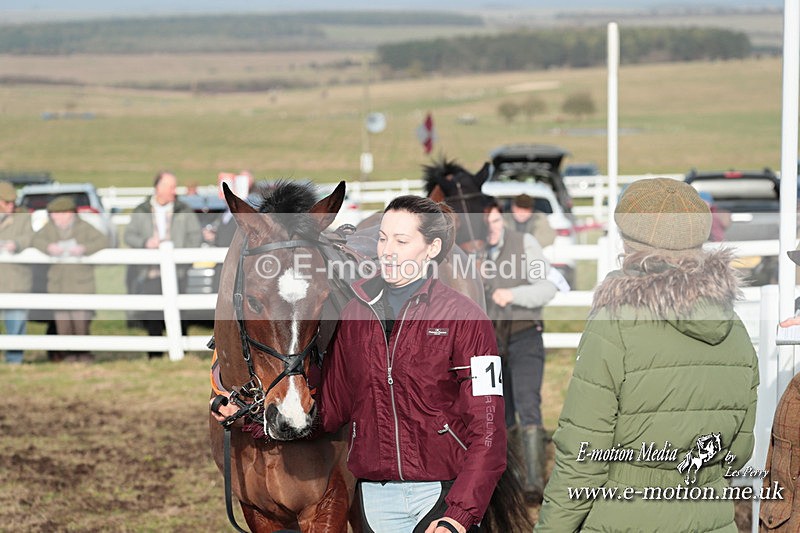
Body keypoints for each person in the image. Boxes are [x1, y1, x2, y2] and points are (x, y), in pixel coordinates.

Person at [212, 195, 507, 533]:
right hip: (376, 503)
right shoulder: (354, 315)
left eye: (401, 241)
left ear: (432, 248)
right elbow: (330, 412)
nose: (387, 251)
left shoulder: (468, 319)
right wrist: (248, 418)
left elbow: (489, 430)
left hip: (440, 497)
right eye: (382, 238)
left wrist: (459, 516)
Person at [536, 178, 759, 531]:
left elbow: (582, 457)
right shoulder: (733, 327)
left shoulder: (614, 324)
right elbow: (739, 452)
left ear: (628, 243)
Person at [482, 200, 556, 503]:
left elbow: (547, 287)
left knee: (527, 404)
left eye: (495, 221)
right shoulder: (471, 255)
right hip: (489, 343)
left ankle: (533, 481)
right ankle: (510, 479)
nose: (491, 229)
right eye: (485, 224)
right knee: (499, 410)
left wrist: (513, 294)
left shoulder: (525, 244)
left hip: (525, 335)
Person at [124, 171, 201, 358]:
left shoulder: (183, 210)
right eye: (171, 187)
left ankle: (182, 351)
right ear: (159, 188)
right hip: (150, 270)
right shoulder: (142, 210)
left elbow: (195, 236)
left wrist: (182, 257)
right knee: (153, 312)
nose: (174, 191)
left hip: (177, 270)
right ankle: (155, 353)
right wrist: (145, 243)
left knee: (180, 311)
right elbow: (129, 235)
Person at [31, 196, 108, 362]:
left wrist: (85, 248)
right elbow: (35, 240)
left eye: (60, 214)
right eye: (54, 214)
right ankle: (68, 356)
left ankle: (84, 354)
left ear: (70, 213)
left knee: (81, 323)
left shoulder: (84, 227)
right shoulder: (49, 229)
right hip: (58, 284)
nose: (56, 218)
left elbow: (103, 241)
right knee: (63, 324)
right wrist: (48, 247)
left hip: (81, 283)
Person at [0, 181, 34, 364]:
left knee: (16, 322)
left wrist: (17, 244)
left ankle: (14, 360)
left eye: (13, 202)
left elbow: (31, 237)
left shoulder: (23, 218)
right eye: (6, 202)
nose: (11, 206)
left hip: (15, 279)